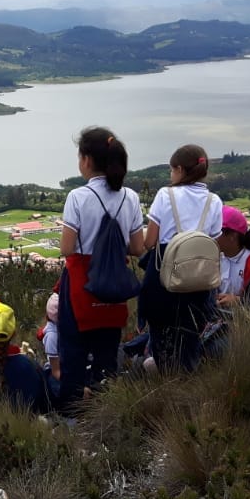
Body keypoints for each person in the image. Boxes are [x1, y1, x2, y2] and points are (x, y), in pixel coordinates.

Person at [57, 127, 145, 415]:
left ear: (86, 160)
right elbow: (137, 247)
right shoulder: (129, 197)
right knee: (107, 353)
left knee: (73, 350)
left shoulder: (78, 197)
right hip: (115, 283)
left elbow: (67, 248)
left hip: (82, 283)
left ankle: (71, 416)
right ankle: (105, 412)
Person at [137, 144, 222, 373]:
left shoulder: (166, 195)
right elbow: (215, 243)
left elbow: (150, 241)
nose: (170, 175)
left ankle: (163, 375)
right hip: (198, 280)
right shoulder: (214, 201)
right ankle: (188, 377)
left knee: (161, 333)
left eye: (171, 170)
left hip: (165, 275)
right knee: (190, 333)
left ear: (180, 170)